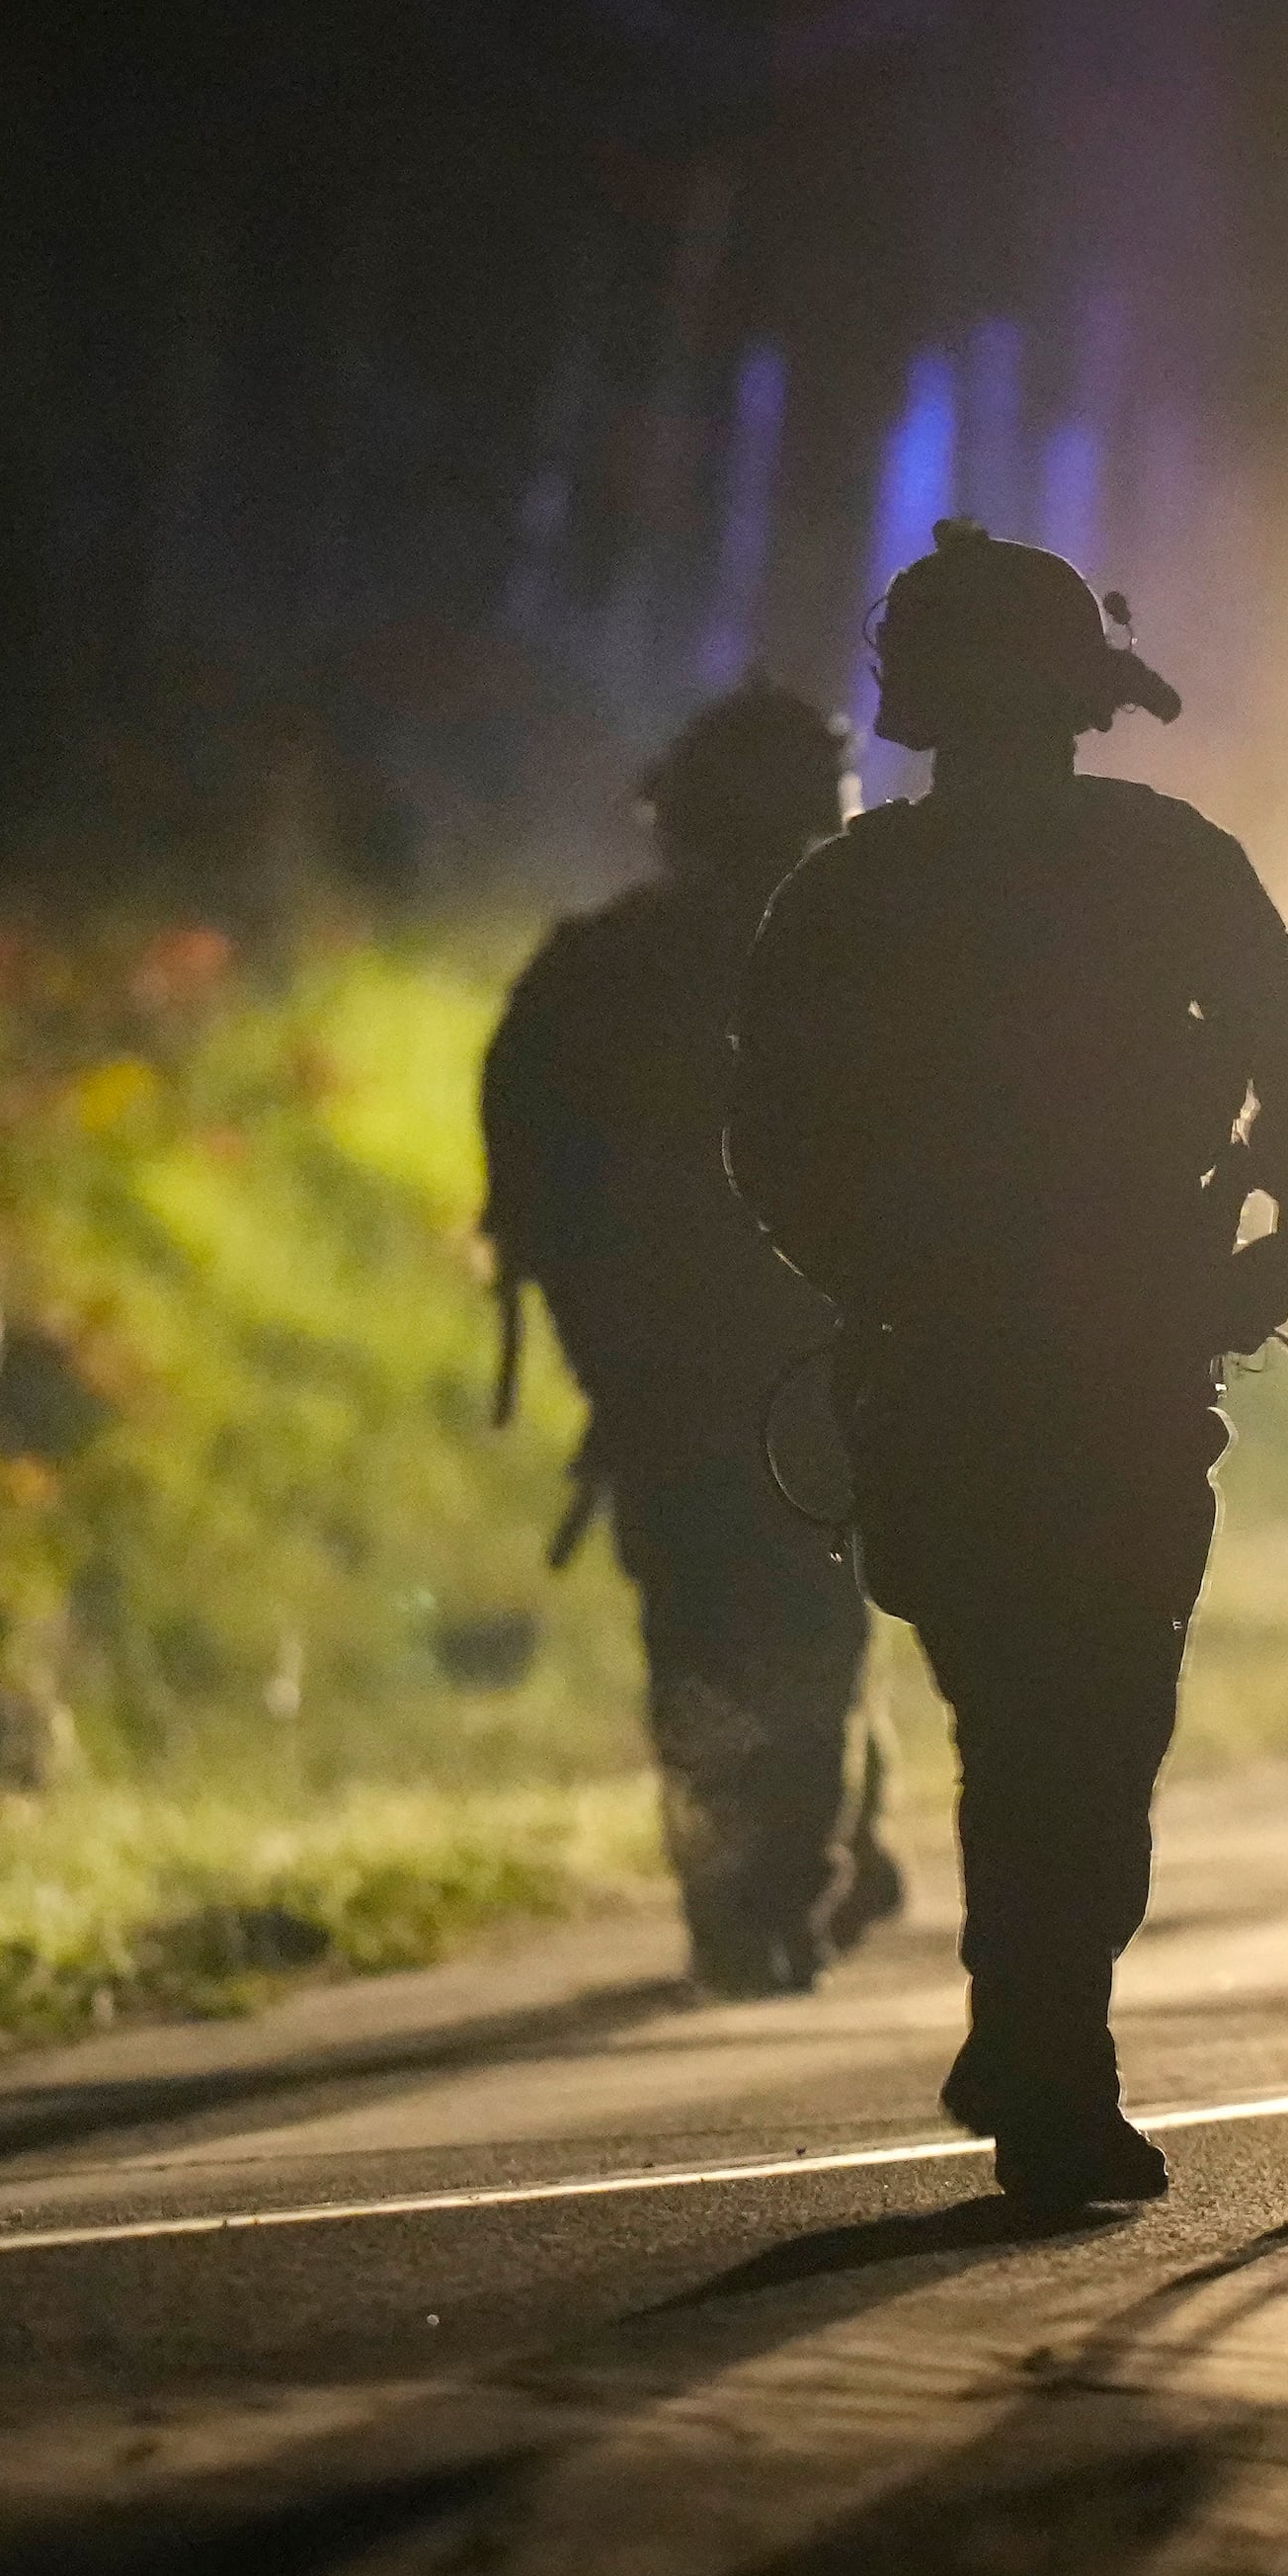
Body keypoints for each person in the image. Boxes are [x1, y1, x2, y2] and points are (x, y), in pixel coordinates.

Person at [730, 523, 1288, 2208]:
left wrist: (882, 1289)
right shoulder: (1167, 862)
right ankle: (1046, 2050)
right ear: (1082, 695)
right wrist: (1257, 1277)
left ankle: (1034, 2028)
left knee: (1023, 1720)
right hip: (1117, 1372)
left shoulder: (847, 894)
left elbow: (766, 1144)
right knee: (1090, 1726)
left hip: (954, 1383)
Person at [484, 678, 899, 1995]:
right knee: (811, 1625)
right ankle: (778, 1879)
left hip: (670, 1380)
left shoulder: (594, 971)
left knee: (710, 1636)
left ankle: (752, 1884)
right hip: (808, 1367)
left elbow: (532, 1202)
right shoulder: (854, 967)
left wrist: (604, 1352)